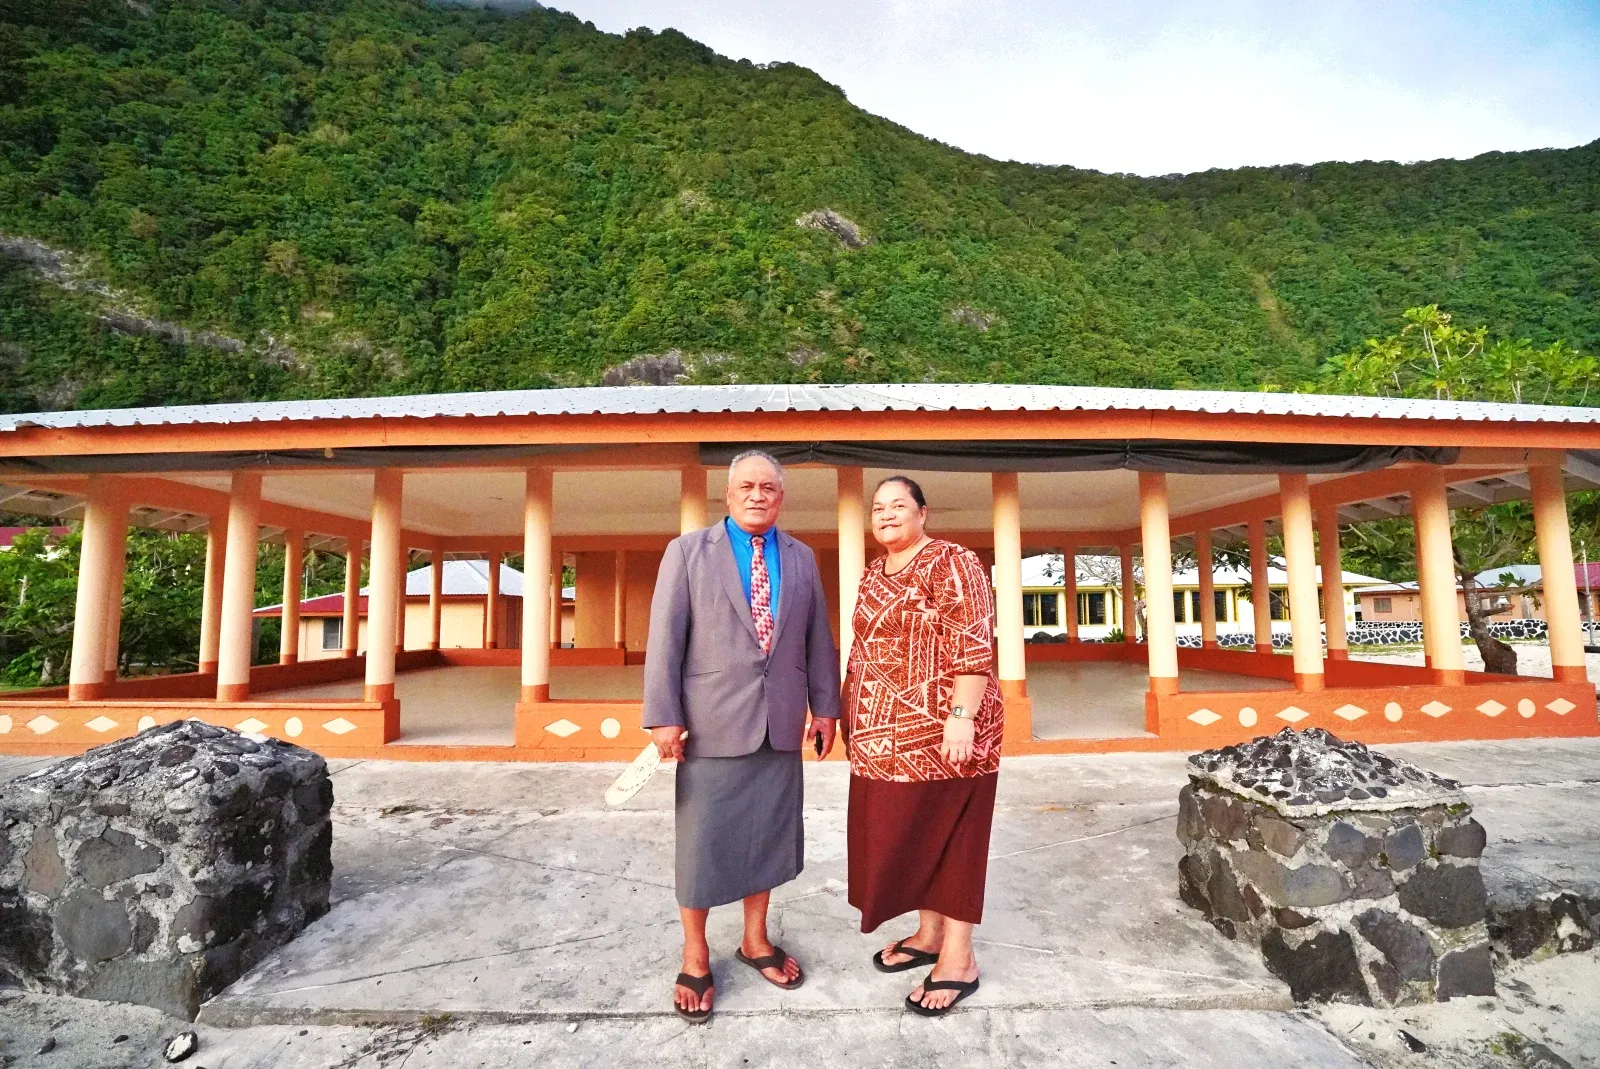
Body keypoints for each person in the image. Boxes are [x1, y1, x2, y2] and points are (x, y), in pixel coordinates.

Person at [642, 450, 841, 1023]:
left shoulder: (801, 557)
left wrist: (825, 708)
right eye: (747, 487)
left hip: (780, 722)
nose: (758, 495)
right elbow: (665, 639)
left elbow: (816, 638)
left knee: (769, 838)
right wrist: (662, 715)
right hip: (709, 723)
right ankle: (695, 951)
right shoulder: (686, 552)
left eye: (769, 488)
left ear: (781, 498)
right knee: (702, 841)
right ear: (728, 496)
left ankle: (755, 941)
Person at [843, 474, 1004, 1016]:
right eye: (877, 508)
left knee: (954, 837)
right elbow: (864, 650)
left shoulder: (952, 561)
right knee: (914, 836)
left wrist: (962, 717)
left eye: (898, 505)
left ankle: (958, 959)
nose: (886, 514)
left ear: (923, 513)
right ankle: (929, 933)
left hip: (945, 732)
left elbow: (974, 640)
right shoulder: (871, 574)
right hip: (881, 741)